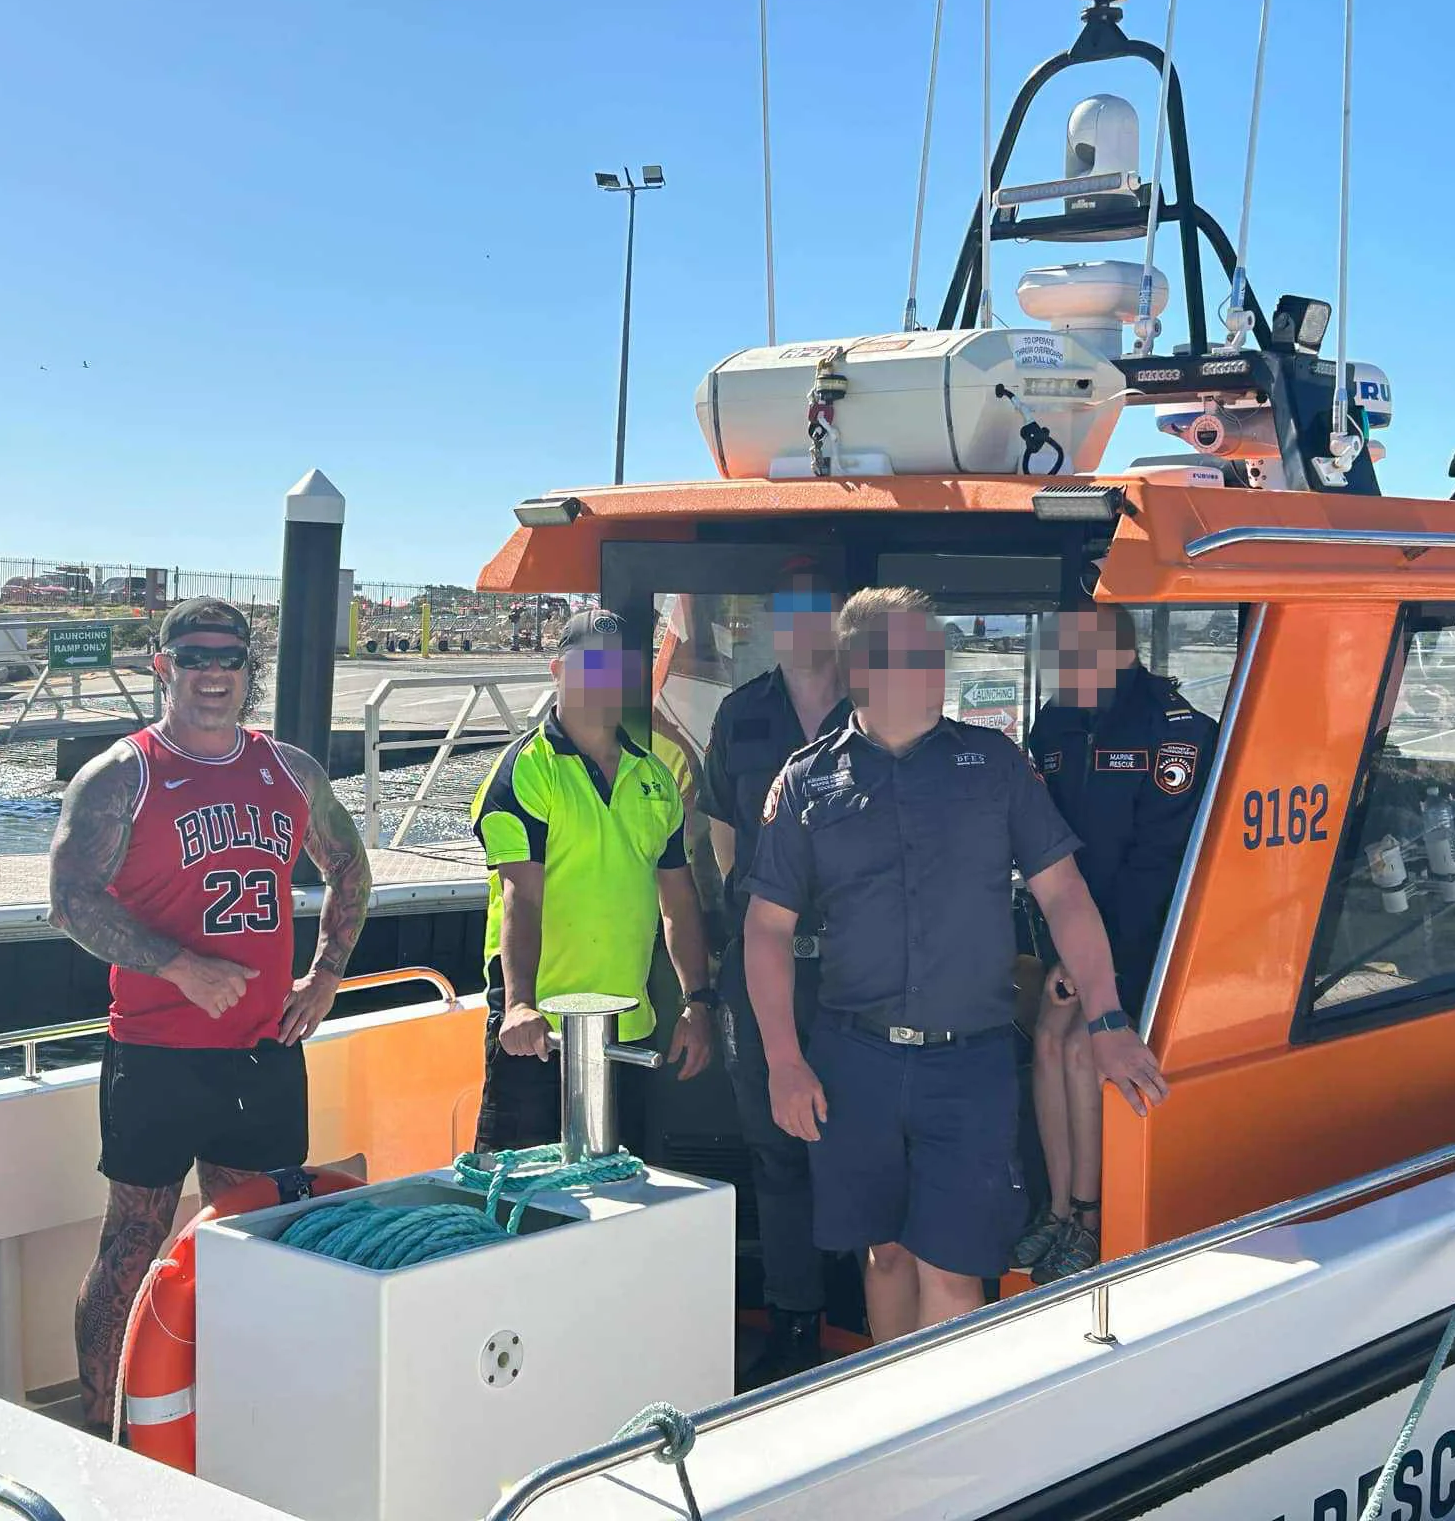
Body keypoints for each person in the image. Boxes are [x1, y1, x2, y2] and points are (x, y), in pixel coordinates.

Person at [741, 587, 1163, 1342]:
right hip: (854, 1062)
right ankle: (893, 1402)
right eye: (917, 654)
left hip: (968, 1067)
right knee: (887, 1256)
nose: (938, 668)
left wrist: (1106, 1019)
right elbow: (767, 930)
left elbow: (1064, 892)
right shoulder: (805, 781)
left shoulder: (995, 766)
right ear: (863, 669)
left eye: (936, 653)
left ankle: (942, 1412)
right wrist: (783, 1063)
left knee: (953, 1268)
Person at [48, 597, 371, 1435]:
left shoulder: (288, 771)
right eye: (195, 658)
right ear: (164, 667)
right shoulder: (123, 774)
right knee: (133, 1242)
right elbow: (69, 899)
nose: (213, 674)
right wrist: (179, 966)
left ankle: (241, 1423)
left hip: (263, 1050)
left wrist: (326, 976)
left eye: (229, 658)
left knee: (254, 1236)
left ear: (248, 672)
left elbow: (349, 866)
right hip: (157, 1050)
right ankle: (100, 1428)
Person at [470, 607, 714, 1152]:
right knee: (520, 1191)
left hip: (625, 1032)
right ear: (558, 670)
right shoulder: (525, 769)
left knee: (622, 1189)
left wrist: (698, 1001)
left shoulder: (655, 777)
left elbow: (678, 902)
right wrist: (519, 1005)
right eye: (591, 666)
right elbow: (521, 897)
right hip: (537, 1036)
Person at [1012, 602, 1206, 1282]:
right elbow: (1044, 850)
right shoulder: (1054, 724)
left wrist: (1096, 960)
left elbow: (1157, 865)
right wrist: (1060, 949)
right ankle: (1059, 1210)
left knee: (1080, 1049)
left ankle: (1091, 1219)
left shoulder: (1175, 731)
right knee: (1047, 1040)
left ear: (1119, 652)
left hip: (1150, 938)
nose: (1060, 665)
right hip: (1072, 934)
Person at [701, 573, 851, 1385]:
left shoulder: (876, 705)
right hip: (765, 968)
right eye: (785, 612)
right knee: (777, 1150)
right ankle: (797, 1321)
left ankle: (877, 1309)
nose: (799, 625)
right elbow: (723, 835)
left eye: (815, 610)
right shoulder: (741, 714)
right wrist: (750, 925)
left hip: (860, 969)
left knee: (865, 1144)